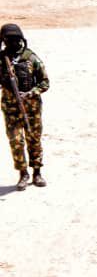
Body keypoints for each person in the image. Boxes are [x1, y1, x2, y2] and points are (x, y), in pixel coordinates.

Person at [1, 24, 49, 190]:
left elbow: (45, 83)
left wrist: (30, 93)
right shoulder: (1, 59)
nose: (12, 43)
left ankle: (36, 172)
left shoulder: (31, 58)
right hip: (10, 109)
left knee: (33, 139)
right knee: (16, 141)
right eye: (8, 40)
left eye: (15, 39)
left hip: (31, 108)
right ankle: (23, 174)